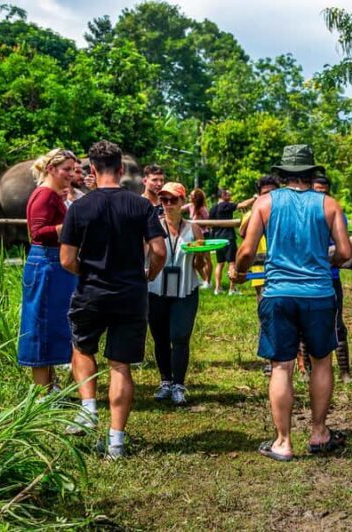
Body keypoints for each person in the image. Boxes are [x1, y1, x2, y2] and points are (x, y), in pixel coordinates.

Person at [231, 144, 351, 461]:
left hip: (278, 293)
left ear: (283, 174)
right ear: (312, 174)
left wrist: (240, 272)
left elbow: (245, 251)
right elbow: (346, 252)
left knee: (281, 365)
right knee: (322, 360)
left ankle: (283, 442)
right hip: (318, 294)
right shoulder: (329, 205)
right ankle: (319, 432)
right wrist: (327, 263)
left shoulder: (265, 203)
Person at [60, 140, 167, 459]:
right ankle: (117, 441)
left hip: (91, 291)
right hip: (130, 294)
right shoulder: (141, 206)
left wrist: (88, 272)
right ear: (121, 170)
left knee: (82, 347)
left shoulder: (79, 207)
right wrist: (148, 273)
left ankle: (89, 409)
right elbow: (159, 250)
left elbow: (66, 259)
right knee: (120, 365)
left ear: (91, 170)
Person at [18, 148, 78, 393]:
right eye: (66, 170)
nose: (71, 174)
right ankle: (42, 393)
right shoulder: (44, 195)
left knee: (52, 325)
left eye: (73, 170)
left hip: (54, 265)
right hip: (45, 264)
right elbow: (38, 233)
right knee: (40, 326)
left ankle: (51, 386)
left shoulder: (53, 195)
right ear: (51, 169)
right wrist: (71, 225)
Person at [148, 183, 208, 406]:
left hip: (185, 290)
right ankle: (165, 381)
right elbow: (144, 256)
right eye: (164, 200)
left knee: (180, 336)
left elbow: (201, 264)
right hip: (156, 290)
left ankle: (179, 385)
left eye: (173, 200)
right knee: (160, 337)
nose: (169, 204)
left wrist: (201, 253)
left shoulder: (193, 229)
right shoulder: (152, 227)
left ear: (183, 202)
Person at [236, 175, 280, 375]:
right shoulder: (255, 211)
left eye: (273, 192)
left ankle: (297, 357)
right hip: (261, 272)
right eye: (265, 194)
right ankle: (272, 359)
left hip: (285, 271)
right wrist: (257, 208)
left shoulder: (286, 210)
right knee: (267, 315)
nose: (269, 197)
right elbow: (243, 232)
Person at [311, 174, 352, 383]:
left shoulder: (335, 211)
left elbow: (343, 247)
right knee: (305, 324)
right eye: (316, 190)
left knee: (336, 323)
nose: (320, 195)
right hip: (305, 276)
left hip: (330, 275)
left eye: (324, 191)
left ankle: (345, 371)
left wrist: (329, 258)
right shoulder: (303, 212)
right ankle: (307, 369)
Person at [209, 189, 241, 295]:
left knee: (219, 264)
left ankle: (217, 289)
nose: (230, 194)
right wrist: (255, 199)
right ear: (222, 195)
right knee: (232, 263)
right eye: (228, 193)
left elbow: (210, 224)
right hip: (228, 238)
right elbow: (241, 205)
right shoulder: (226, 205)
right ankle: (232, 289)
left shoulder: (213, 208)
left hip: (218, 239)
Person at [184, 188, 211, 288]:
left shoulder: (202, 209)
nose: (189, 197)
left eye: (191, 195)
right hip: (194, 235)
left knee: (207, 258)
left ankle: (208, 281)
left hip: (204, 235)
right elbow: (180, 209)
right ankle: (204, 279)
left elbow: (207, 221)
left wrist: (198, 224)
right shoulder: (190, 206)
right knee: (195, 259)